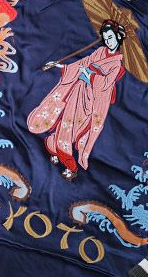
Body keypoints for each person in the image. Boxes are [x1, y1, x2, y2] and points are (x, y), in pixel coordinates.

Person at [26, 20, 126, 181]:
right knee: (64, 125)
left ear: (118, 37)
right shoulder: (100, 51)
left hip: (91, 101)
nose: (108, 41)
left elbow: (105, 85)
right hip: (78, 91)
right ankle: (57, 151)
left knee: (71, 130)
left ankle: (71, 168)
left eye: (111, 38)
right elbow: (81, 63)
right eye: (106, 38)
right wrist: (60, 66)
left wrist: (89, 75)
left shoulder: (116, 64)